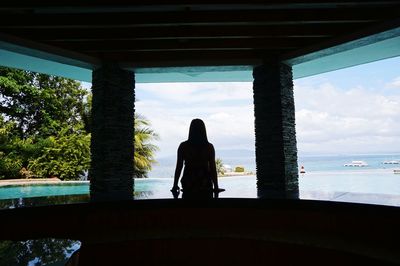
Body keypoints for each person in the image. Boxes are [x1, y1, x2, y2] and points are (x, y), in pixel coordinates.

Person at [171, 119, 224, 199]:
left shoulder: (183, 146)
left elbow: (179, 167)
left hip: (188, 183)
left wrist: (175, 185)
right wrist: (216, 187)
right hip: (205, 183)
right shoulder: (209, 147)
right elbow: (213, 168)